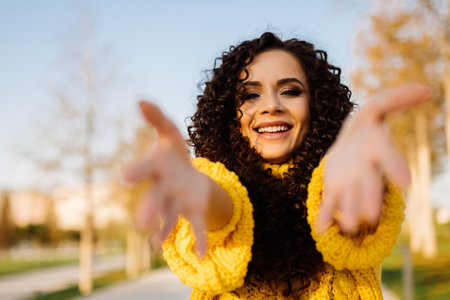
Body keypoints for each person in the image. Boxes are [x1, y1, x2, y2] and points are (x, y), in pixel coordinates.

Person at [122, 32, 431, 299]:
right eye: (250, 94)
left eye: (290, 91)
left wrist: (356, 175)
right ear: (229, 114)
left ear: (317, 106)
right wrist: (200, 190)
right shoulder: (217, 184)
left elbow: (351, 215)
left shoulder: (337, 176)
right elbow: (224, 209)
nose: (271, 105)